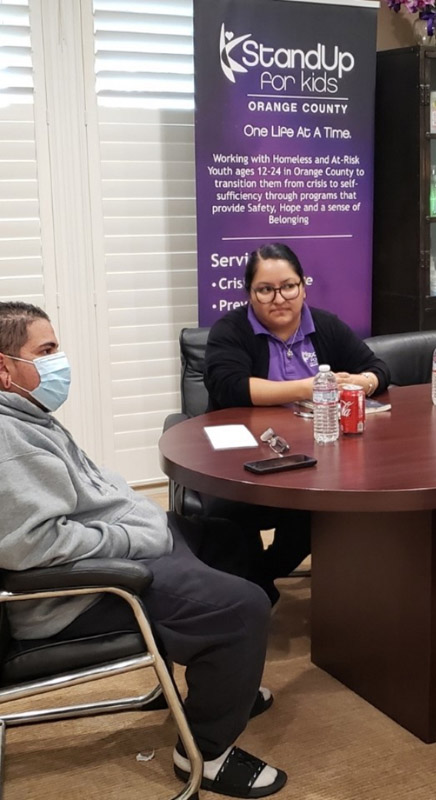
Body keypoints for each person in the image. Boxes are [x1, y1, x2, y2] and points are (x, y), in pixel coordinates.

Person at [0, 301, 286, 799]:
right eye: (45, 351)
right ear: (5, 369)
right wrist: (138, 536)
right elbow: (35, 546)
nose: (58, 361)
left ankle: (226, 688)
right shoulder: (9, 440)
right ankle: (206, 752)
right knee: (242, 609)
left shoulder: (25, 413)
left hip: (115, 552)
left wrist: (138, 518)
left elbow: (88, 492)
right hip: (82, 591)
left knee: (230, 538)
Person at [203, 243, 390, 603]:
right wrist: (309, 386)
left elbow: (379, 369)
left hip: (318, 454)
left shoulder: (326, 326)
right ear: (250, 294)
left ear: (303, 286)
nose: (279, 298)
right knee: (228, 511)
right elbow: (231, 387)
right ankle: (250, 592)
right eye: (265, 290)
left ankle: (261, 577)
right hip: (248, 454)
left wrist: (363, 382)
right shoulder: (231, 330)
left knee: (323, 507)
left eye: (289, 286)